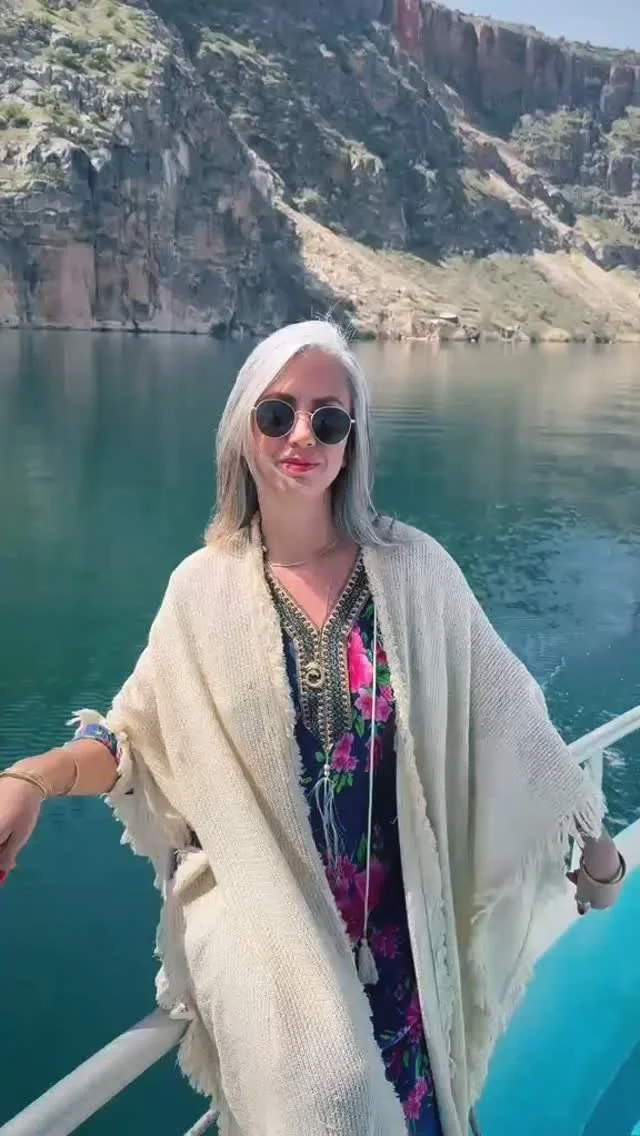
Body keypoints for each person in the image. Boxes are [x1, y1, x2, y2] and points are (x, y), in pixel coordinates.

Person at [0, 321, 626, 1136]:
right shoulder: (202, 593)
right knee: (329, 1095)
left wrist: (597, 847)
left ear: (351, 441)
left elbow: (511, 715)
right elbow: (134, 741)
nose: (302, 436)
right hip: (278, 943)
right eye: (277, 414)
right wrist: (33, 779)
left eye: (328, 420)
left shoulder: (415, 572)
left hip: (406, 947)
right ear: (242, 429)